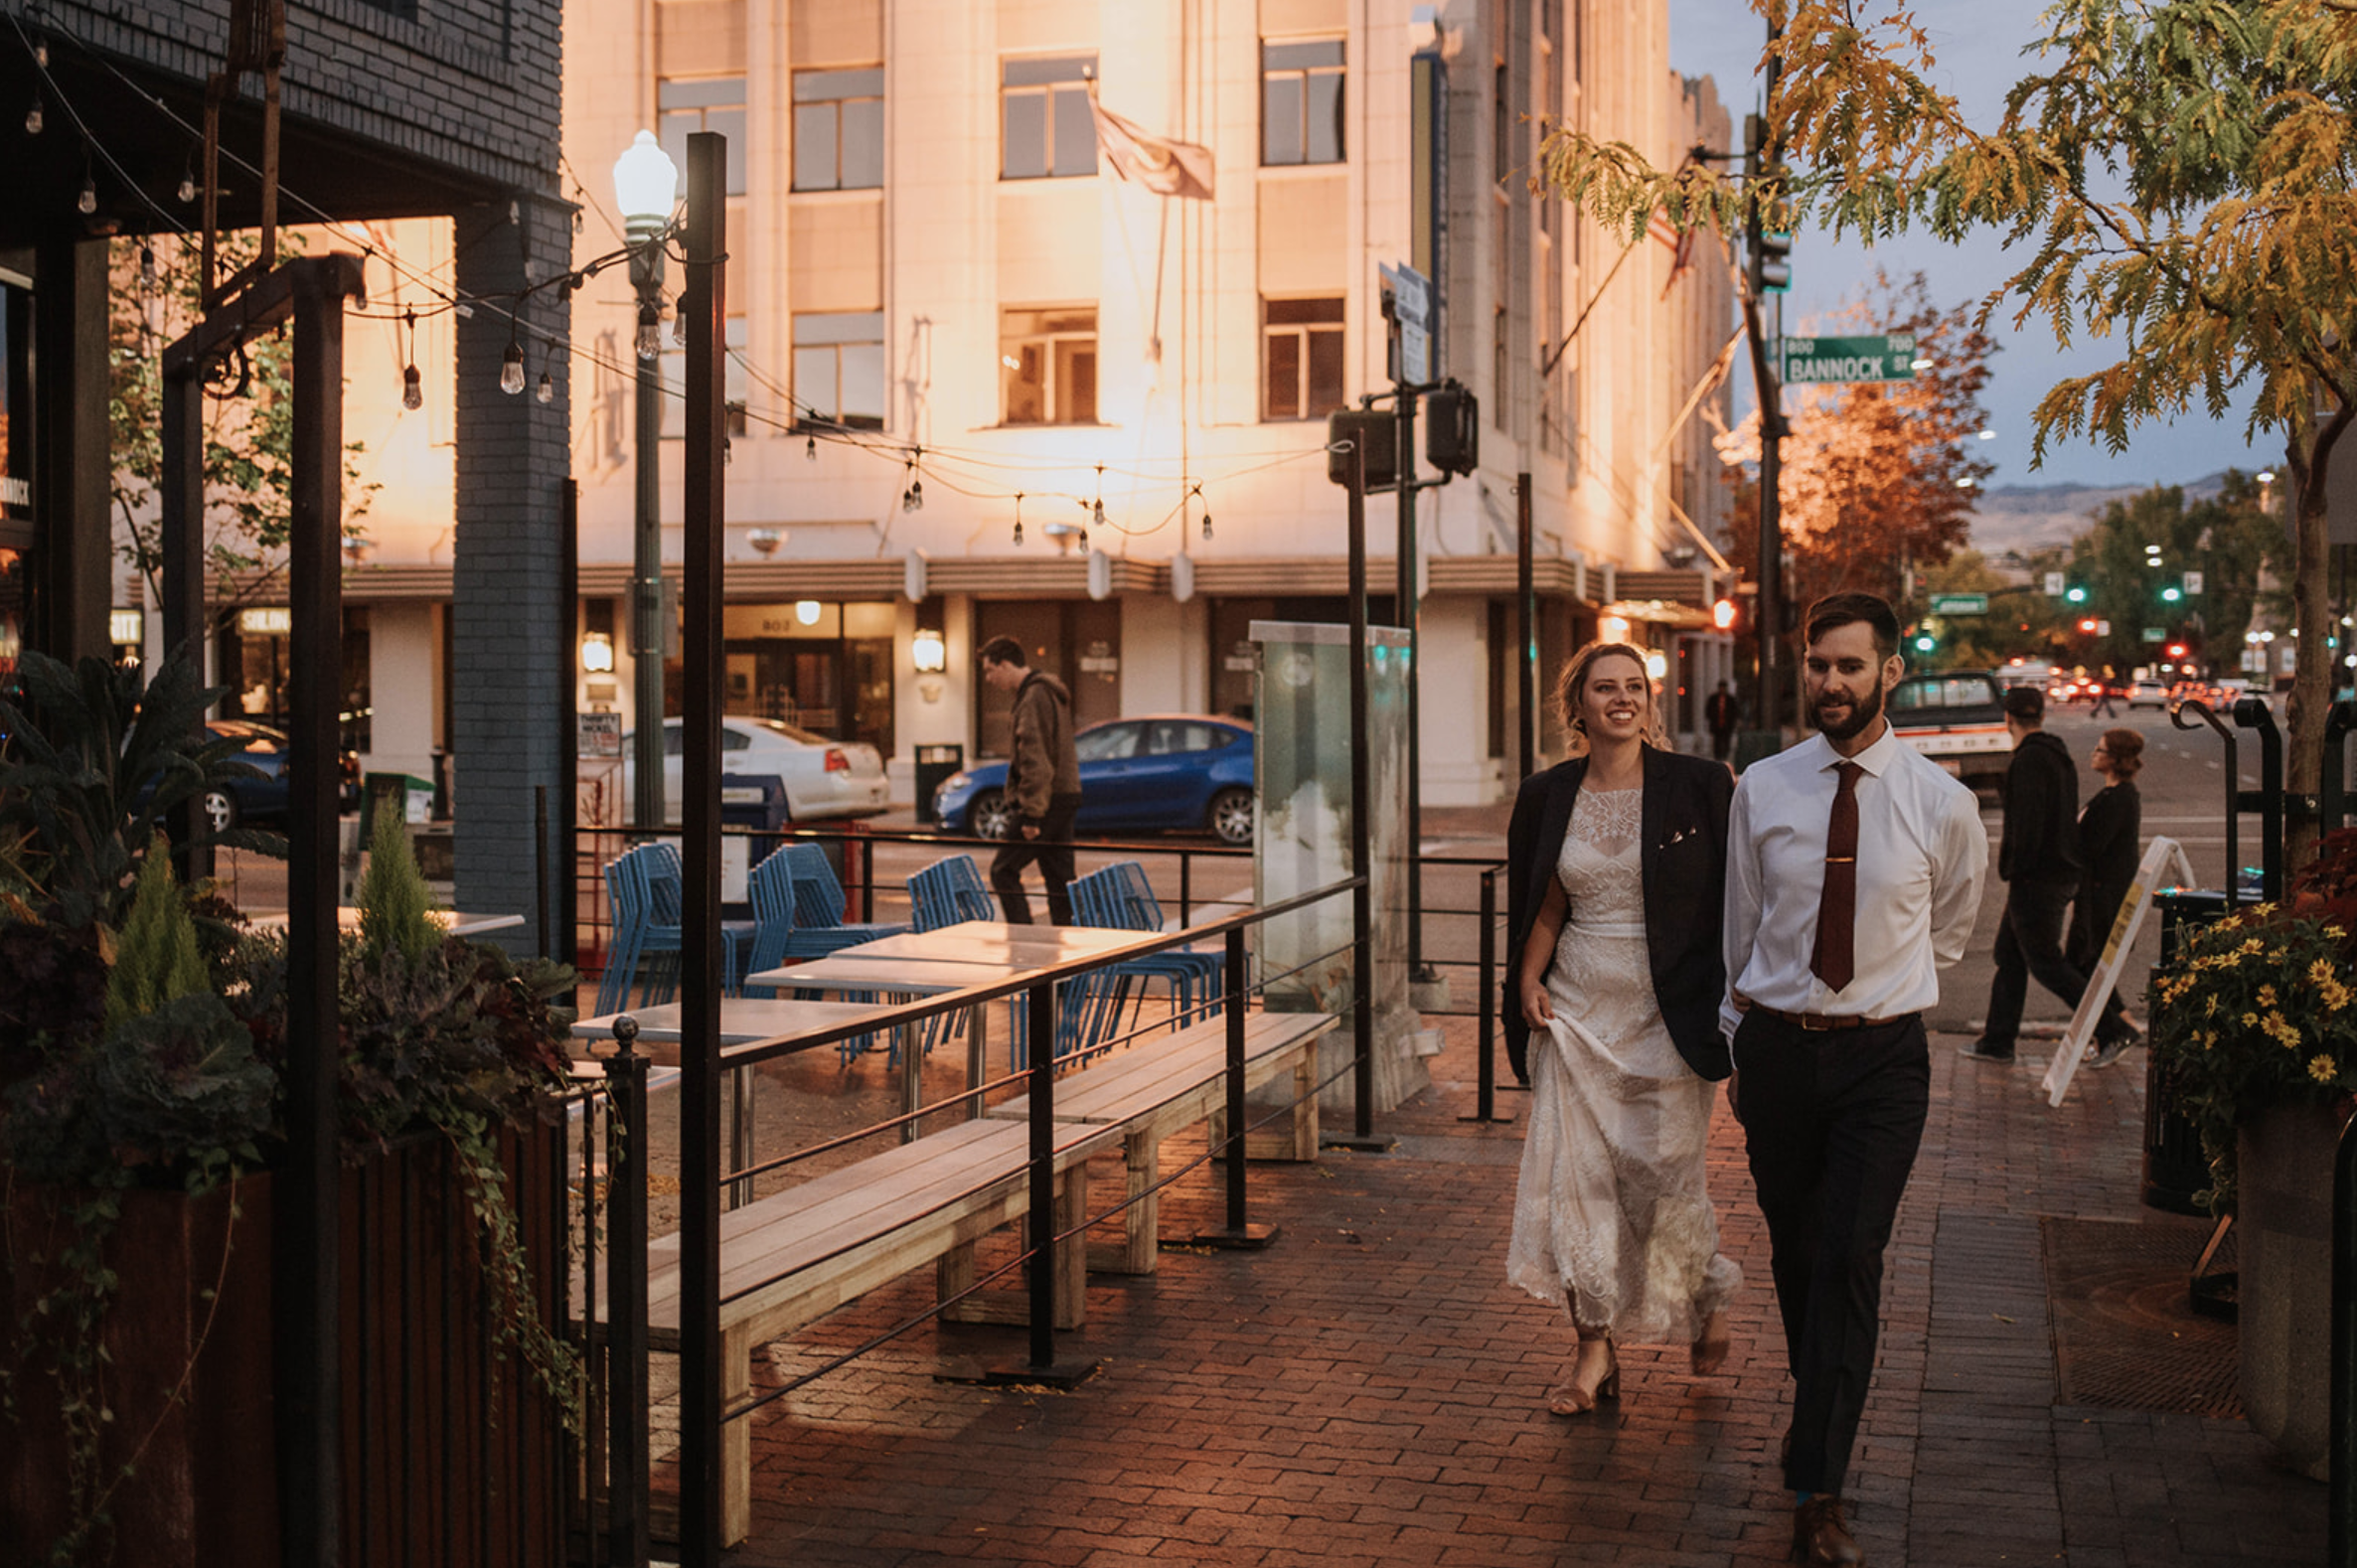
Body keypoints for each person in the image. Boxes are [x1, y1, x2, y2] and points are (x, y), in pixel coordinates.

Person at [1722, 591, 1987, 1566]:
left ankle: (1817, 1488)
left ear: (1889, 673)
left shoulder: (1940, 803)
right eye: (1817, 665)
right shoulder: (1763, 787)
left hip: (1881, 1060)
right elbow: (1738, 927)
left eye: (1849, 666)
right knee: (1796, 1258)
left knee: (1846, 1257)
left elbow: (1950, 927)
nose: (1829, 683)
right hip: (1780, 1055)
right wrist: (1738, 1045)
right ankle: (1817, 1418)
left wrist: (1882, 986)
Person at [1502, 642, 1742, 1418]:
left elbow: (1738, 902)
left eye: (1634, 686)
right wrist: (1527, 977)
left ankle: (1702, 1294)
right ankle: (1592, 1350)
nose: (1622, 699)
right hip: (1576, 1013)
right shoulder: (1546, 795)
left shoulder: (1701, 786)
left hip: (1668, 1014)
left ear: (1650, 700)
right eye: (1605, 688)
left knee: (1665, 1183)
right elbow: (1546, 903)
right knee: (1583, 1187)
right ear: (1579, 706)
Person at [1962, 685, 2134, 1063]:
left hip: (2038, 876)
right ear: (2040, 716)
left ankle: (2112, 1029)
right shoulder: (2058, 756)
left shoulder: (2026, 761)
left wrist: (2014, 868)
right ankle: (1997, 1040)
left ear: (2008, 719)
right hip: (2055, 871)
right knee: (2009, 954)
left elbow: (2027, 825)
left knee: (2045, 962)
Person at [978, 635, 1082, 924]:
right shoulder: (1048, 692)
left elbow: (1034, 757)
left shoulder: (1033, 696)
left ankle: (1024, 940)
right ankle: (1068, 952)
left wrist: (1031, 816)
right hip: (1065, 795)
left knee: (1003, 870)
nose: (989, 678)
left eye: (990, 670)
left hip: (1045, 800)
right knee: (1059, 877)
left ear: (1006, 664)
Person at [2073, 727, 2146, 1068]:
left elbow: (2089, 848)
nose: (2094, 753)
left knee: (2087, 964)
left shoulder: (2119, 799)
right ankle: (2115, 1030)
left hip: (2105, 897)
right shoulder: (2111, 795)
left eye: (2100, 749)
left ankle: (2118, 1029)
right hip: (2097, 893)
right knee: (2084, 963)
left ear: (2115, 758)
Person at [1706, 679, 1741, 763]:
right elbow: (1708, 710)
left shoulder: (1730, 699)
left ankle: (1725, 757)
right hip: (1717, 724)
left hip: (1727, 725)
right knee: (1717, 742)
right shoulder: (1713, 698)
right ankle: (1717, 757)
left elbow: (1735, 711)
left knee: (1726, 741)